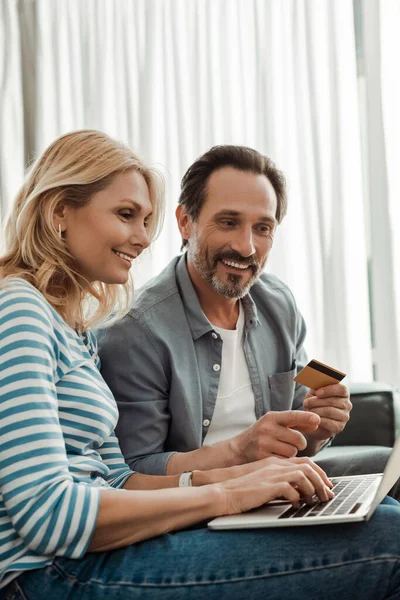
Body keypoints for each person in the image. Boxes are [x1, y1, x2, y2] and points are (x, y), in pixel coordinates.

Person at [1, 131, 399, 600]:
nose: (144, 238)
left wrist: (248, 475)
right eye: (126, 215)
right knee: (389, 539)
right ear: (59, 211)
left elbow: (117, 480)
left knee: (382, 511)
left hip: (97, 551)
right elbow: (50, 517)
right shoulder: (20, 310)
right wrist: (230, 493)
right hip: (50, 574)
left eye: (146, 219)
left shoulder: (73, 328)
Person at [99, 145, 390, 482]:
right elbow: (134, 470)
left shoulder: (279, 304)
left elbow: (301, 436)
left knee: (388, 470)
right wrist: (239, 451)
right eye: (229, 222)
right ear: (185, 222)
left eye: (263, 228)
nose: (246, 247)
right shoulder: (136, 330)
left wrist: (319, 426)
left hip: (277, 484)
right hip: (196, 508)